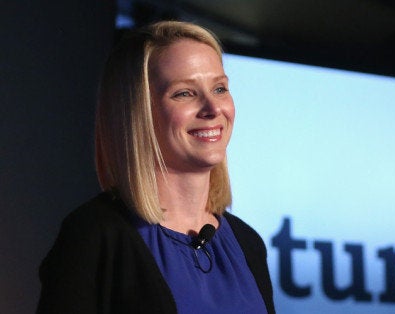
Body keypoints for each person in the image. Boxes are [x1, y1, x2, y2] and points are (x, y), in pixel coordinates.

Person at [37, 21, 275, 314]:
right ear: (137, 112)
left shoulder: (247, 242)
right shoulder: (95, 235)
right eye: (184, 93)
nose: (213, 109)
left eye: (219, 88)